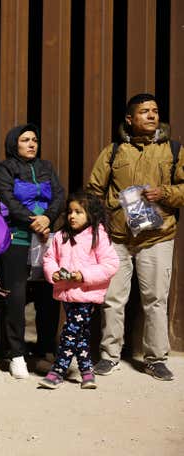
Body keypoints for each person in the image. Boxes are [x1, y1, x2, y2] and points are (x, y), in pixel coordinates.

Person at [87, 93, 184, 381]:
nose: (152, 116)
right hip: (118, 238)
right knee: (113, 299)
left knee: (156, 299)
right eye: (144, 112)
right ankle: (109, 356)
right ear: (130, 119)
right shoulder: (113, 151)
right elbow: (94, 190)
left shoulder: (174, 150)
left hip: (157, 236)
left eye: (155, 111)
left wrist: (164, 193)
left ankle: (155, 359)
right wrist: (104, 222)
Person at [0, 123, 65, 379]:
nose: (32, 143)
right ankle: (16, 354)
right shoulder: (5, 168)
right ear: (15, 144)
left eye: (34, 139)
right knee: (16, 298)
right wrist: (33, 220)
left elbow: (59, 195)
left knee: (49, 295)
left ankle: (46, 351)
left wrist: (47, 218)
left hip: (46, 239)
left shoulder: (46, 167)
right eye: (25, 140)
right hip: (17, 238)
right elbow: (6, 198)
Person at [39, 192, 119, 389]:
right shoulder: (61, 235)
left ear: (90, 214)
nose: (72, 216)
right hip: (67, 294)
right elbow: (50, 259)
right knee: (80, 335)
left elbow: (110, 264)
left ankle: (58, 370)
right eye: (70, 212)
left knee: (71, 330)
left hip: (87, 294)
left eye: (79, 212)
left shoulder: (98, 236)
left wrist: (82, 275)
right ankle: (86, 372)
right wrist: (54, 273)